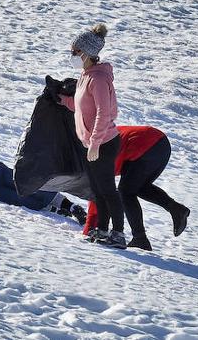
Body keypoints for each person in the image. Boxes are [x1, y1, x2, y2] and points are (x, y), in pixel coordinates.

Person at [57, 22, 126, 247]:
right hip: (93, 143)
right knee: (98, 190)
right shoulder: (87, 75)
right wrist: (62, 100)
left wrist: (95, 143)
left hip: (103, 143)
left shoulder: (97, 78)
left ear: (86, 53)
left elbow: (103, 113)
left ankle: (118, 233)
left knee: (107, 189)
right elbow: (83, 107)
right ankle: (103, 230)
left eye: (75, 51)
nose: (72, 55)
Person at [83, 125, 190, 251]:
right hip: (161, 143)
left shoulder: (93, 156)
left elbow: (99, 197)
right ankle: (176, 209)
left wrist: (89, 229)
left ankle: (140, 239)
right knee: (140, 188)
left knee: (126, 191)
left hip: (145, 142)